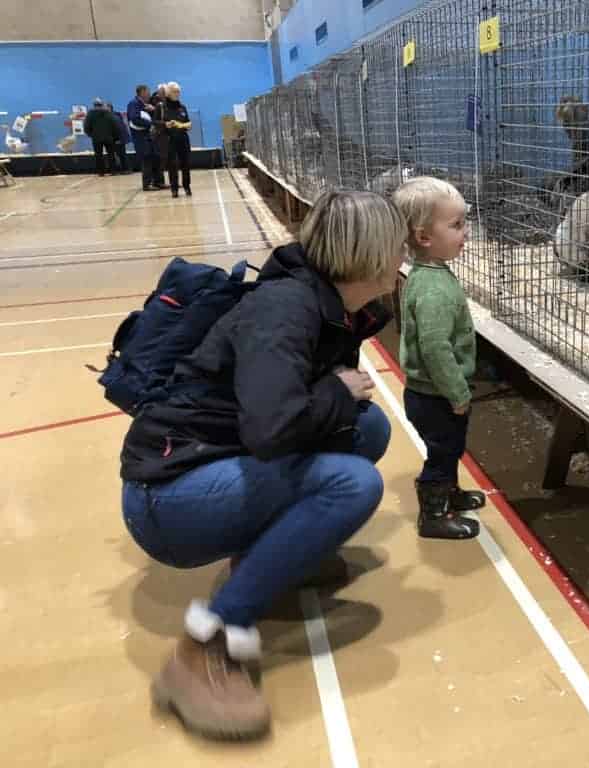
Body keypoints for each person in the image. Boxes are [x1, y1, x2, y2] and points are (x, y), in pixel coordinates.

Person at [119, 190, 406, 739]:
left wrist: (337, 397)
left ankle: (269, 555)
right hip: (167, 499)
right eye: (396, 247)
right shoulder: (285, 309)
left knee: (369, 428)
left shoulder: (339, 308)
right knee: (352, 484)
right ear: (368, 255)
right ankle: (205, 649)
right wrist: (338, 393)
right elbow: (272, 430)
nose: (402, 260)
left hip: (219, 461)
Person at [393, 177, 484, 540]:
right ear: (424, 237)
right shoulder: (432, 289)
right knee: (443, 452)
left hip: (431, 391)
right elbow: (434, 348)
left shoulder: (428, 274)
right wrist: (457, 393)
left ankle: (449, 492)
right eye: (457, 225)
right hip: (436, 394)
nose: (466, 232)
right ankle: (433, 514)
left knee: (451, 447)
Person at [126, 85, 163, 190]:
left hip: (149, 137)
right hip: (141, 138)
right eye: (148, 92)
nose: (149, 94)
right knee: (146, 160)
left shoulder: (145, 104)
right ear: (142, 92)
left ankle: (158, 182)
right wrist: (150, 124)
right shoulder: (134, 104)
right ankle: (147, 184)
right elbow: (135, 119)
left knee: (156, 158)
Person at [162, 81, 192, 197]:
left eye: (179, 91)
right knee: (172, 165)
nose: (178, 93)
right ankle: (174, 189)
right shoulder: (162, 107)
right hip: (170, 139)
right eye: (175, 91)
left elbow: (188, 122)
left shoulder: (182, 107)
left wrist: (185, 125)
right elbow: (155, 122)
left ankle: (187, 186)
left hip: (183, 139)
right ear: (169, 93)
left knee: (186, 164)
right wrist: (166, 124)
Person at [83, 97, 117, 176]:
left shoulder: (90, 114)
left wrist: (91, 135)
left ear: (94, 105)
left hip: (96, 138)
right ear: (101, 105)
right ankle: (113, 171)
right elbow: (114, 125)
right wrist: (114, 136)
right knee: (111, 154)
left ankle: (101, 172)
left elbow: (86, 127)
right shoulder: (108, 113)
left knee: (98, 155)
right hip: (109, 137)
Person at [107, 102, 130, 174]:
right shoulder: (116, 115)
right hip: (117, 138)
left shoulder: (113, 117)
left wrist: (118, 139)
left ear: (109, 108)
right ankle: (124, 169)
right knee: (121, 155)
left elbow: (118, 128)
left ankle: (125, 170)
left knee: (121, 155)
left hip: (117, 138)